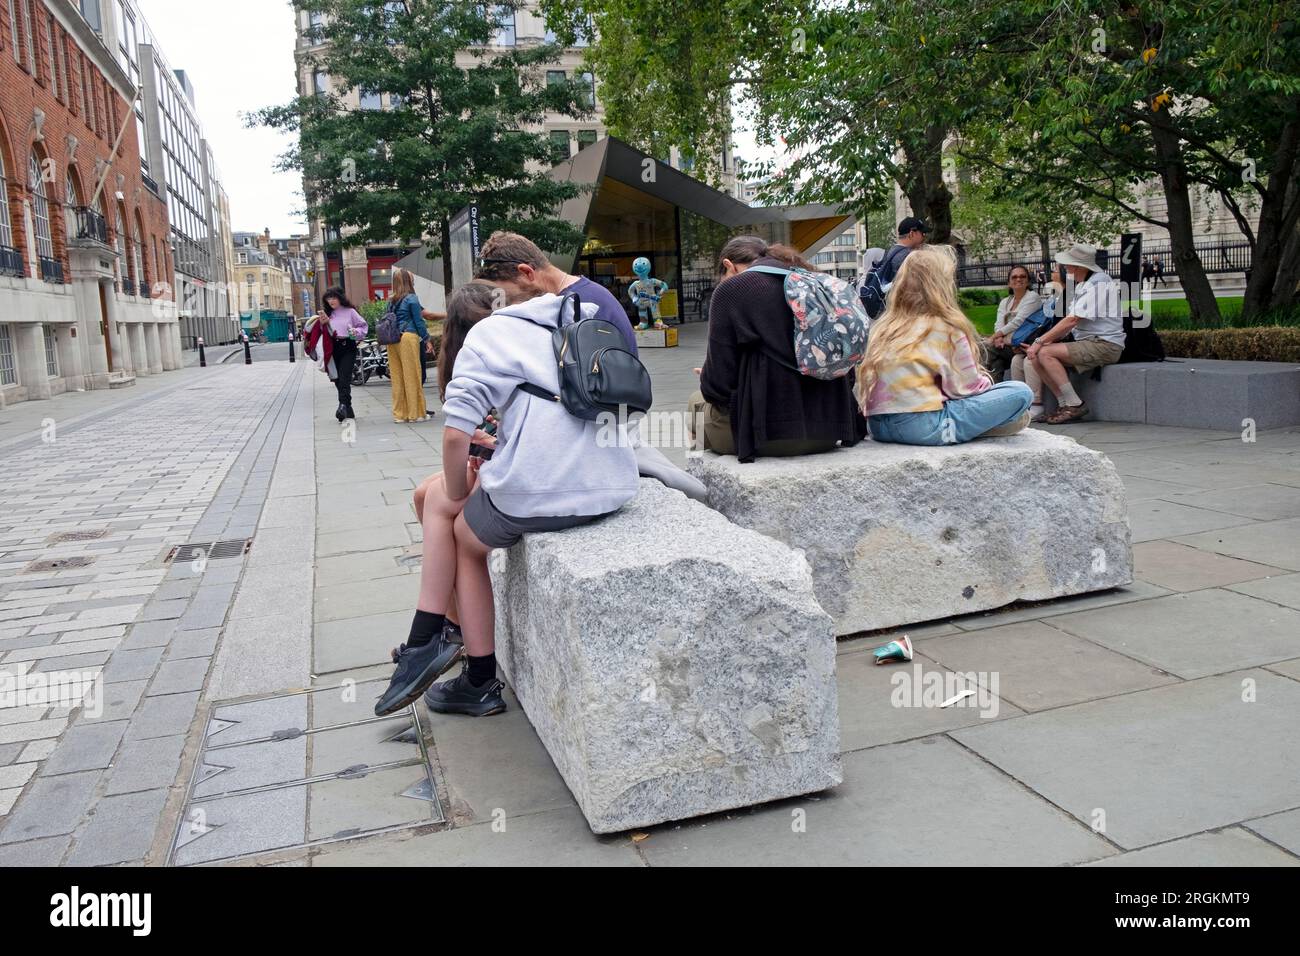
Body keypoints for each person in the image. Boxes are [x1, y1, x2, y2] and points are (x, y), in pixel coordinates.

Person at [372, 287, 640, 719]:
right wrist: (497, 448)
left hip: (548, 489)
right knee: (433, 495)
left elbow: (455, 435)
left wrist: (463, 488)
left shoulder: (490, 335)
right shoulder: (574, 319)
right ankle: (438, 638)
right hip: (611, 481)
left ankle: (467, 668)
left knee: (454, 520)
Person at [691, 235, 866, 462]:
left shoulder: (731, 291)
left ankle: (696, 486)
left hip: (765, 437)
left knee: (695, 403)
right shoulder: (812, 285)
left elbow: (716, 389)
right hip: (831, 432)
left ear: (729, 266)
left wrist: (707, 376)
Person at [857, 245, 1033, 446]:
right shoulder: (947, 327)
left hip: (879, 427)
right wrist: (983, 378)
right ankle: (988, 425)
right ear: (942, 285)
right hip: (925, 426)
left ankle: (986, 425)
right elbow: (969, 389)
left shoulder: (884, 327)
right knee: (1020, 392)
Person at [472, 230, 638, 354]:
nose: (512, 304)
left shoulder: (579, 305)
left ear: (527, 273)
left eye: (511, 296)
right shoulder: (581, 295)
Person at [1024, 242, 1126, 424]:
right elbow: (1070, 322)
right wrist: (1043, 342)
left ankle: (1075, 405)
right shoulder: (1083, 284)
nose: (1065, 267)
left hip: (1105, 344)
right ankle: (1065, 405)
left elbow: (1072, 320)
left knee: (1044, 352)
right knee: (1037, 355)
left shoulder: (1099, 282)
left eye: (1068, 264)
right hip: (1089, 342)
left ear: (1079, 266)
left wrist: (1040, 341)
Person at [387, 267, 434, 423]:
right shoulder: (412, 298)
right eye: (412, 278)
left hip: (393, 340)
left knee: (397, 378)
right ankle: (416, 414)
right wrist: (427, 339)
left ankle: (400, 414)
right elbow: (419, 321)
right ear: (408, 281)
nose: (414, 280)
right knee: (413, 375)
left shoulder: (391, 300)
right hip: (408, 337)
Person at [315, 287, 368, 421]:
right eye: (328, 298)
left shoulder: (350, 311)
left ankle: (342, 405)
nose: (331, 301)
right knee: (337, 379)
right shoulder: (327, 314)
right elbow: (321, 333)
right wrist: (323, 324)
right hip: (332, 349)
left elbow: (363, 326)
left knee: (344, 377)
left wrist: (355, 332)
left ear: (340, 298)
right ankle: (348, 409)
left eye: (333, 297)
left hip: (347, 346)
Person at [986, 266, 1042, 382]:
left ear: (1028, 281)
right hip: (1006, 346)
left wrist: (994, 337)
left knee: (986, 349)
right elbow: (999, 322)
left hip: (1022, 345)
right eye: (1014, 277)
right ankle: (997, 393)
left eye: (1022, 276)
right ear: (1009, 283)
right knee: (997, 363)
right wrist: (998, 337)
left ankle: (969, 380)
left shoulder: (1033, 298)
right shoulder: (1005, 301)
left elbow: (1018, 322)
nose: (1018, 279)